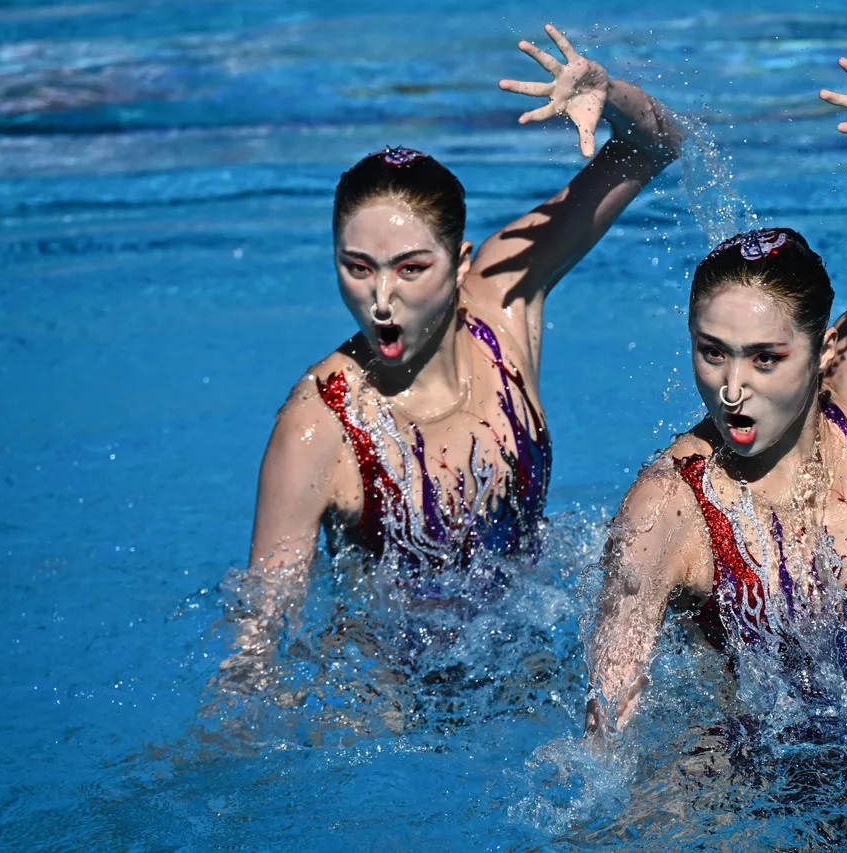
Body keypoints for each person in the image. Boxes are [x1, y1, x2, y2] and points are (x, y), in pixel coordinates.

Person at [219, 24, 682, 694]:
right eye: (357, 268)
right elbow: (257, 646)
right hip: (385, 703)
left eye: (411, 268)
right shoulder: (320, 424)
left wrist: (611, 96)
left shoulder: (503, 296)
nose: (382, 299)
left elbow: (656, 147)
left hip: (525, 668)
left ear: (460, 263)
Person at [585, 39, 847, 736]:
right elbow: (607, 727)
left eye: (765, 359)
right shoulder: (669, 506)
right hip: (752, 792)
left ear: (822, 346)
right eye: (711, 353)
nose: (732, 388)